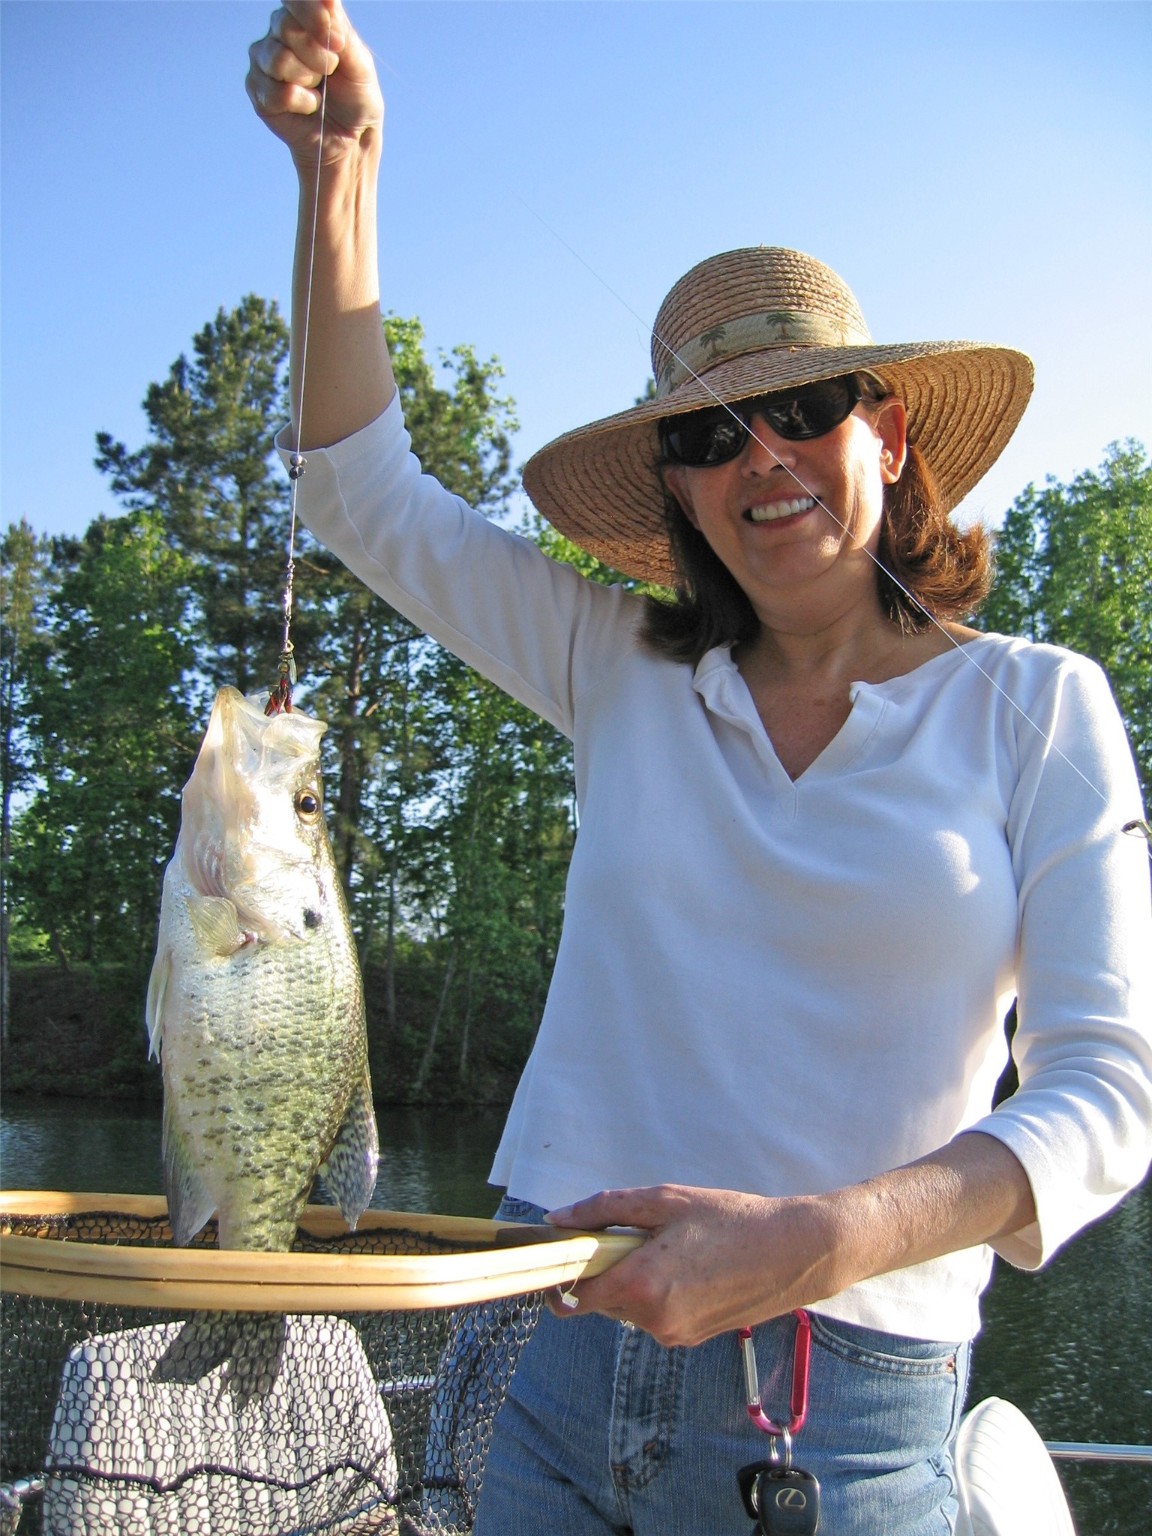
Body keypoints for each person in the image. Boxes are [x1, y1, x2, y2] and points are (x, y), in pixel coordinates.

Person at [247, 5, 1152, 1531]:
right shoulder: (620, 668)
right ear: (672, 488)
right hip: (538, 1346)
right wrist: (342, 169)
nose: (765, 463)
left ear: (890, 433)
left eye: (806, 412)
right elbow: (361, 493)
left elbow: (1107, 1097)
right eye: (712, 436)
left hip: (849, 1412)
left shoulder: (1039, 706)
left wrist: (818, 1240)